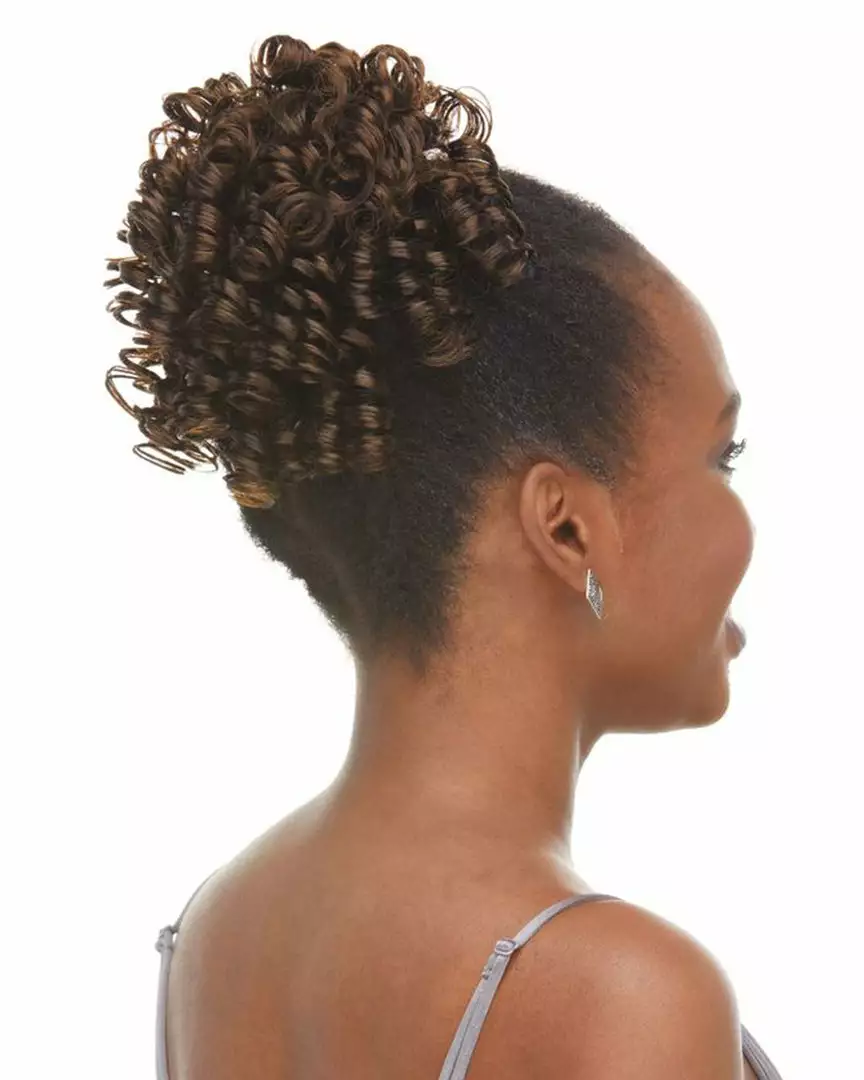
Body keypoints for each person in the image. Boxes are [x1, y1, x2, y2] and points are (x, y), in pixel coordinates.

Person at [105, 33, 782, 1080]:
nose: (744, 517)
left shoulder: (217, 930)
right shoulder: (622, 994)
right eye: (720, 458)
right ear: (566, 528)